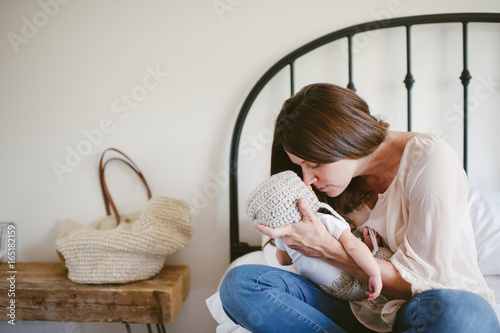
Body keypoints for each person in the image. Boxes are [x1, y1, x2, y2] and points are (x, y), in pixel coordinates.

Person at [220, 83, 500, 332]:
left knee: (463, 315)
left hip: (427, 304)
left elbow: (425, 280)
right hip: (356, 306)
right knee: (241, 285)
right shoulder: (335, 186)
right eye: (300, 167)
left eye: (314, 164)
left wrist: (328, 249)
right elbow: (285, 257)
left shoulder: (429, 158)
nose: (308, 179)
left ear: (343, 139)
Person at [246, 170, 388, 302]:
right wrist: (374, 274)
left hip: (334, 286)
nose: (311, 188)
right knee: (358, 249)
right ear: (301, 203)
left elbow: (282, 260)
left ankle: (369, 249)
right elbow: (353, 247)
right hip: (348, 282)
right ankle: (368, 250)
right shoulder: (322, 220)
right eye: (306, 190)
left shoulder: (285, 238)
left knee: (375, 255)